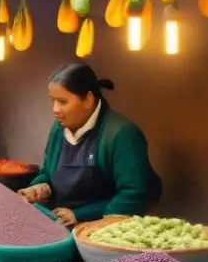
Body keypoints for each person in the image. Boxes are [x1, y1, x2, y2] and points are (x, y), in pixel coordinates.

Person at [19, 63, 158, 227]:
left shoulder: (121, 134)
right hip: (61, 225)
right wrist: (39, 187)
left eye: (63, 101)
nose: (55, 109)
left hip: (105, 232)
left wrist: (80, 215)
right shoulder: (59, 129)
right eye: (52, 100)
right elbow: (48, 171)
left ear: (88, 100)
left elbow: (132, 195)